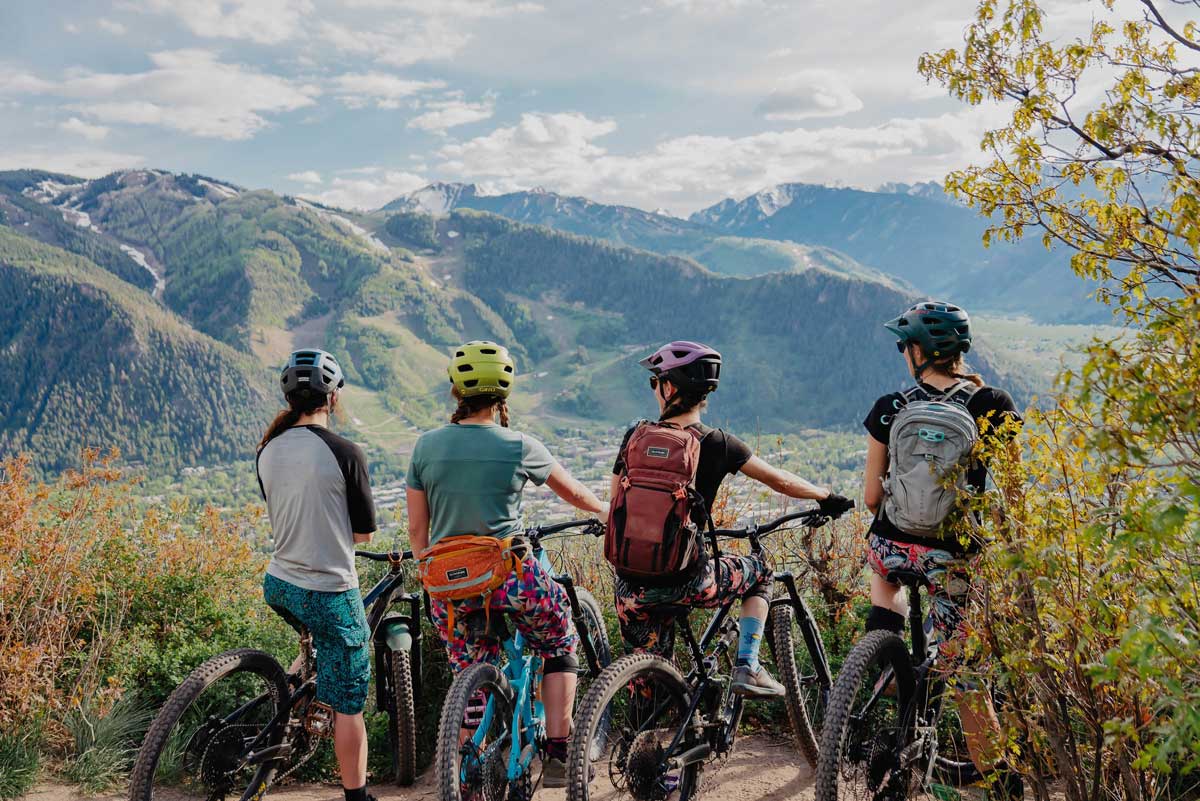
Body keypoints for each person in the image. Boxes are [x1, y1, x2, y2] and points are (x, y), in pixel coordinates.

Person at [405, 340, 609, 787]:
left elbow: (418, 533)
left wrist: (433, 574)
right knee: (559, 640)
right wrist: (606, 511)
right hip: (509, 578)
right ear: (504, 396)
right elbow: (572, 492)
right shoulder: (518, 444)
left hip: (448, 586)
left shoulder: (424, 448)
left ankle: (461, 762)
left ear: (456, 392)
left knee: (470, 667)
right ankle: (558, 752)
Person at [611, 341, 853, 697]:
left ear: (669, 387)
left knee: (646, 677)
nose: (655, 390)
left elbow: (615, 497)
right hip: (688, 580)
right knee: (762, 571)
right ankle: (747, 666)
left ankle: (641, 735)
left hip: (630, 586)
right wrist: (825, 496)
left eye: (655, 382)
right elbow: (779, 480)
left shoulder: (635, 437)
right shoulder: (719, 443)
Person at [861, 301, 1023, 799]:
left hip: (893, 545)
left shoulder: (892, 405)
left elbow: (871, 497)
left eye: (904, 344)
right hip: (952, 554)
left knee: (884, 564)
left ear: (919, 352)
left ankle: (883, 655)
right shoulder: (993, 402)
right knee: (964, 670)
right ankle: (1000, 784)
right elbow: (1012, 493)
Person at [256, 349, 378, 801]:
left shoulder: (268, 449)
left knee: (320, 644)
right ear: (333, 397)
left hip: (279, 582)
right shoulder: (345, 452)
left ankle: (296, 700)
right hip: (327, 588)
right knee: (350, 702)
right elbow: (363, 534)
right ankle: (357, 795)